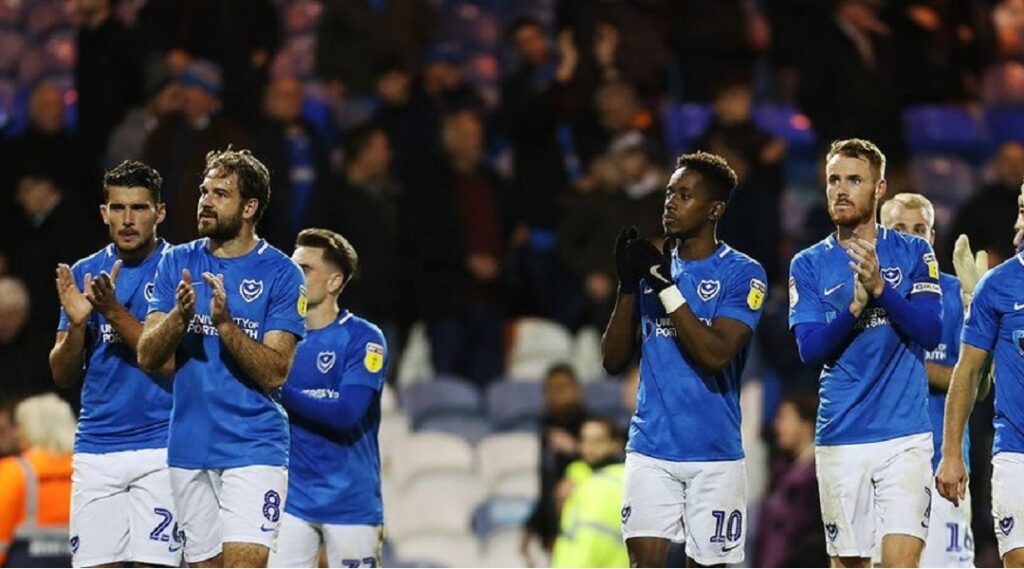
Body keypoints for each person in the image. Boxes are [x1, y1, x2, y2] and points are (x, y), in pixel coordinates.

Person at [137, 149, 307, 567]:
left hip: (254, 445)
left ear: (249, 208)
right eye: (204, 191)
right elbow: (148, 355)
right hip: (189, 444)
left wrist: (226, 326)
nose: (206, 202)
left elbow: (276, 372)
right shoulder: (177, 261)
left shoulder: (283, 274)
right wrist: (179, 318)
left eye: (220, 194)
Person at [602, 151, 768, 567]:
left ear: (715, 210)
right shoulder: (651, 270)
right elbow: (613, 360)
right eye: (669, 193)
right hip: (651, 448)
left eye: (685, 195)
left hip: (715, 454)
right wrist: (627, 288)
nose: (671, 203)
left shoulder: (743, 273)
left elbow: (715, 355)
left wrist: (666, 289)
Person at [789, 139, 942, 568]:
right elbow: (809, 349)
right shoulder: (808, 263)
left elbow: (930, 332)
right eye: (833, 180)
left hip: (905, 436)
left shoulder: (915, 251)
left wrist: (880, 290)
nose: (841, 190)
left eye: (854, 180)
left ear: (879, 188)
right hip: (842, 435)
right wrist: (854, 309)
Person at [48, 160, 180, 567]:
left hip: (163, 446)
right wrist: (77, 325)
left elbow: (169, 363)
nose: (127, 219)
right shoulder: (85, 272)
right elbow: (62, 373)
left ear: (159, 212)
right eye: (118, 208)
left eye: (138, 208)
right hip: (96, 446)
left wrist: (113, 311)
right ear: (104, 212)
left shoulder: (180, 269)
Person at [267, 228, 386, 568]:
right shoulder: (277, 337)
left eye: (305, 269)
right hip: (293, 501)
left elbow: (346, 414)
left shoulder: (363, 338)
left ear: (334, 282)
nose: (293, 275)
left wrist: (277, 387)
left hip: (351, 505)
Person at [881, 192, 978, 566]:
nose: (910, 238)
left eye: (919, 229)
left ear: (933, 238)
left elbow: (973, 381)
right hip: (880, 458)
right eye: (899, 229)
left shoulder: (955, 294)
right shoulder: (864, 295)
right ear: (881, 234)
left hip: (942, 462)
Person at [936, 199, 1024, 565]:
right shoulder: (998, 285)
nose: (1019, 221)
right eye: (1020, 209)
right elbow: (968, 371)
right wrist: (951, 452)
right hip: (1016, 451)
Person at [0, 393, 76, 567]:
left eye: (20, 426)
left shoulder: (15, 471)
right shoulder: (89, 471)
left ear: (30, 428)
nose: (17, 432)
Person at [754, 391, 827, 568]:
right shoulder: (780, 470)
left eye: (784, 418)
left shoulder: (820, 476)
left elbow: (816, 539)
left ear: (807, 426)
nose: (777, 426)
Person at [550, 417, 628, 568]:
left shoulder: (607, 483)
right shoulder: (578, 475)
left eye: (597, 441)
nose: (588, 448)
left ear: (615, 444)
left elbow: (590, 540)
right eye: (584, 440)